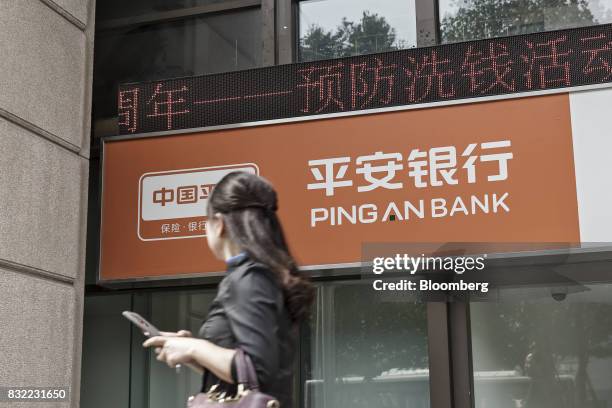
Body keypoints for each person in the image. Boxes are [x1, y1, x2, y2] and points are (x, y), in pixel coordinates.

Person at [143, 171, 315, 408]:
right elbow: (243, 374)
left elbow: (256, 370)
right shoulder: (260, 275)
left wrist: (195, 346)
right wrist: (190, 351)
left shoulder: (249, 278)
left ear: (219, 224)